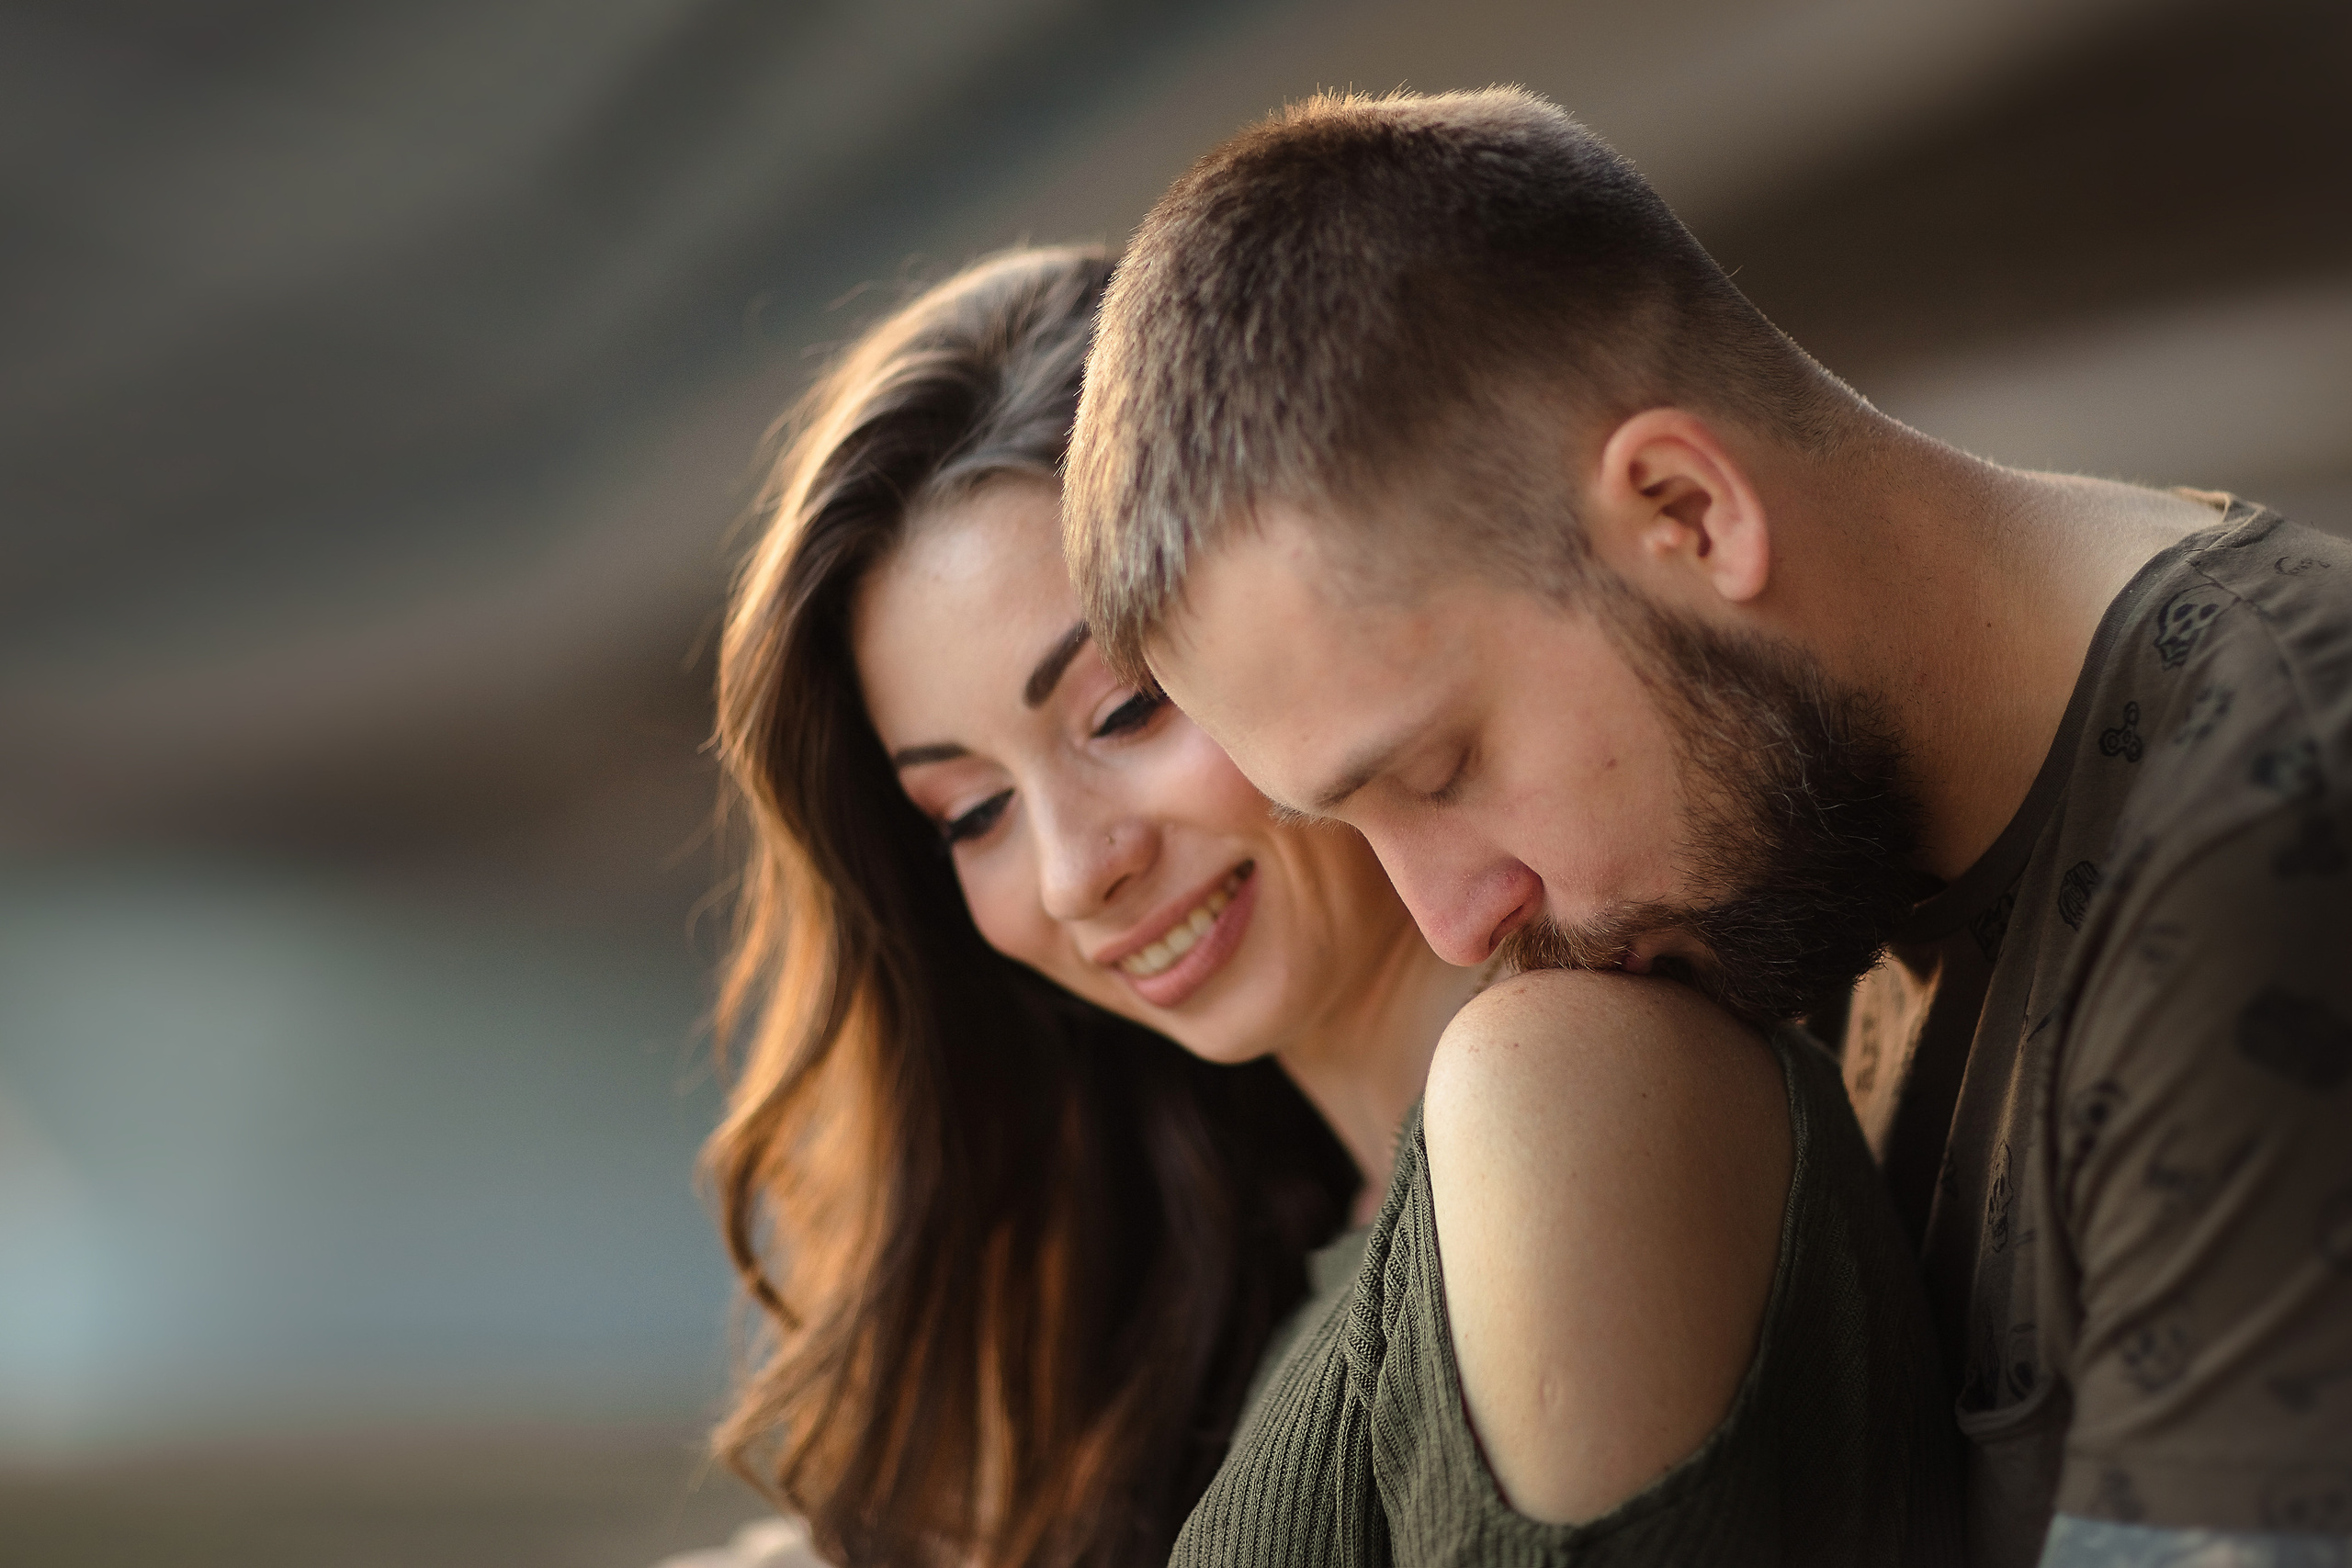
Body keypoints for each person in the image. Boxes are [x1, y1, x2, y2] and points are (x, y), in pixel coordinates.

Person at [1062, 86, 2352, 1568]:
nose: (1454, 923)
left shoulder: (2277, 836)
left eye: (1438, 771)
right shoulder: (1803, 848)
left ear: (1685, 510)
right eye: (1345, 825)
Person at [702, 244, 1956, 1567]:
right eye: (970, 813)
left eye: (1125, 712)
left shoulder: (1568, 1088)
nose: (1078, 872)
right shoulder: (1217, 1302)